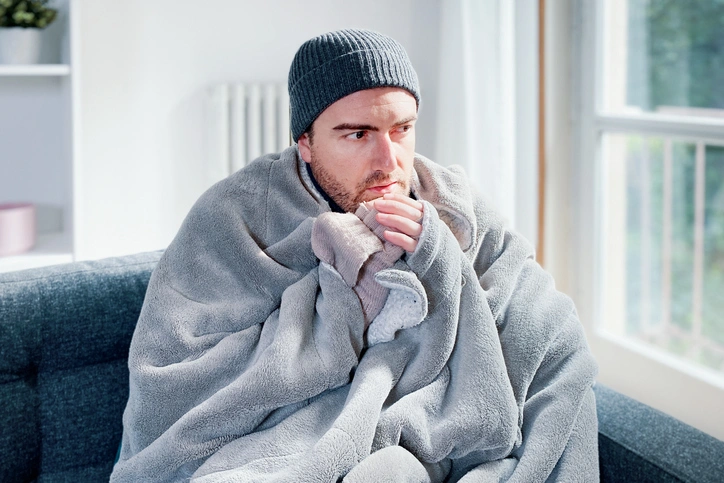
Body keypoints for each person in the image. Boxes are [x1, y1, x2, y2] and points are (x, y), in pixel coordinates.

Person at [111, 29, 599, 482]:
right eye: (358, 134)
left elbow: (542, 322)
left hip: (415, 439)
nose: (390, 162)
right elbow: (171, 382)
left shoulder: (450, 202)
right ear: (304, 141)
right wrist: (347, 301)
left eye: (401, 129)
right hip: (286, 442)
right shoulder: (233, 216)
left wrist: (442, 260)